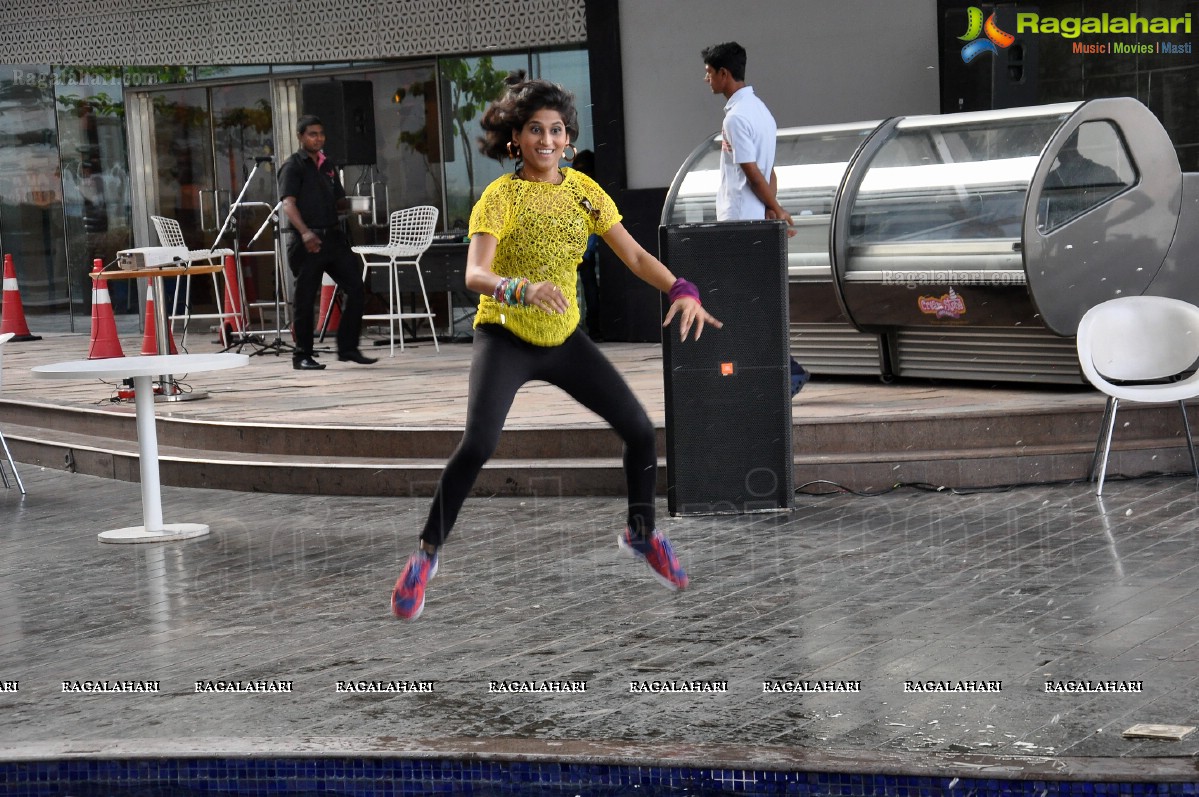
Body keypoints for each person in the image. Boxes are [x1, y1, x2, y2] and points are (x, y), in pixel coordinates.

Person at [391, 72, 723, 621]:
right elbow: (475, 273)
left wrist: (682, 288)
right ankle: (425, 557)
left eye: (558, 130)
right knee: (477, 444)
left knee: (640, 430)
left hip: (563, 337)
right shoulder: (500, 196)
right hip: (505, 335)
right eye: (535, 130)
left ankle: (641, 534)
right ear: (515, 138)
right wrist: (520, 288)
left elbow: (636, 258)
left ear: (568, 138)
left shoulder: (584, 192)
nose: (548, 140)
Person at [702, 41, 809, 396]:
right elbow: (770, 170)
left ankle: (781, 375)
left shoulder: (735, 118)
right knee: (751, 300)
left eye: (708, 72)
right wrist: (771, 208)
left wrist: (776, 210)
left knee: (738, 301)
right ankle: (774, 373)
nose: (706, 79)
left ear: (724, 74)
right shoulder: (762, 111)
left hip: (737, 224)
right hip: (753, 221)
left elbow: (752, 173)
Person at [279, 115, 377, 370]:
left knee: (356, 287)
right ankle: (302, 355)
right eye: (312, 134)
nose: (318, 138)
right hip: (307, 240)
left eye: (321, 134)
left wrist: (356, 205)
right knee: (305, 298)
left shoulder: (328, 164)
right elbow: (288, 204)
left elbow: (337, 201)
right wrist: (305, 233)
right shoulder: (293, 166)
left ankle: (347, 348)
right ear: (301, 137)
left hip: (332, 237)